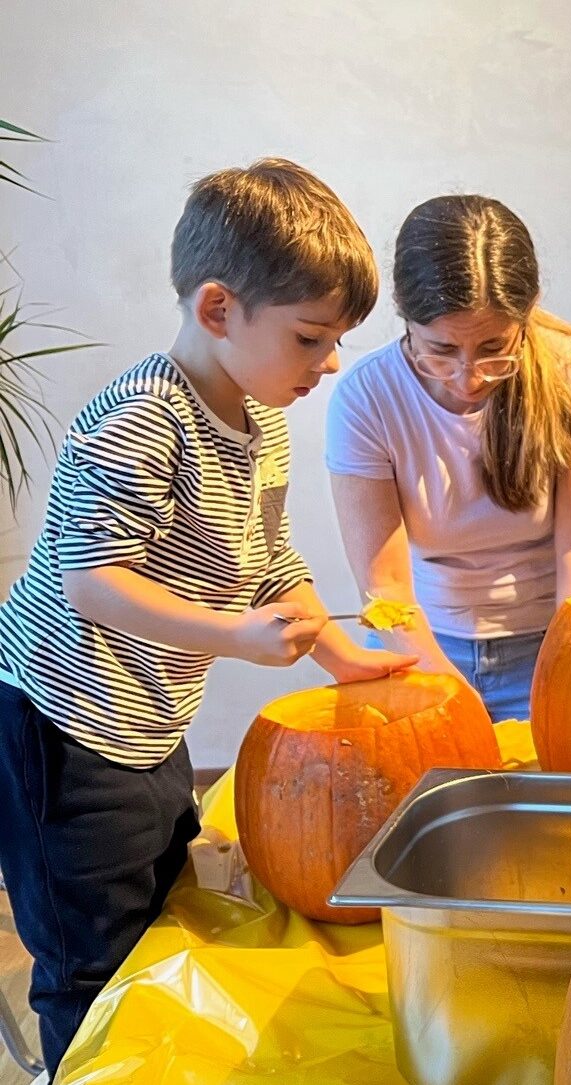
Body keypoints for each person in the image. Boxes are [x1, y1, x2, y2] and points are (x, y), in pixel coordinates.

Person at [0, 158, 414, 1077]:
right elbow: (93, 582)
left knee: (158, 904)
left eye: (337, 338)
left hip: (149, 718)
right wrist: (233, 638)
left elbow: (271, 564)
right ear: (220, 309)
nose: (332, 362)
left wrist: (340, 653)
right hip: (64, 729)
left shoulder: (257, 420)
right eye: (311, 337)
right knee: (91, 955)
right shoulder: (145, 418)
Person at [326, 196, 571, 722]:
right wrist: (447, 694)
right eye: (440, 351)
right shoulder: (365, 398)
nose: (470, 378)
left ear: (525, 318)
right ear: (405, 320)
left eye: (494, 348)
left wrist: (563, 665)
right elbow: (386, 587)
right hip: (416, 646)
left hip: (546, 643)